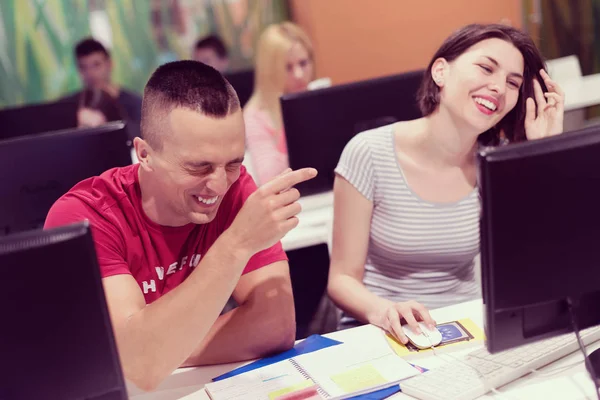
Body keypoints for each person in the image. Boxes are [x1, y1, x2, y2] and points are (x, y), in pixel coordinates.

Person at [45, 60, 317, 391]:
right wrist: (236, 244)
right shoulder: (85, 216)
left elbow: (276, 326)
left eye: (233, 163)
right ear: (144, 154)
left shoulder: (235, 189)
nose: (218, 185)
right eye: (198, 167)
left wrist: (160, 350)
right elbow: (141, 366)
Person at [327, 24, 565, 344]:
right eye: (485, 68)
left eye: (512, 83)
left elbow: (534, 266)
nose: (498, 87)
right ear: (441, 71)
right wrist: (385, 311)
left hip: (465, 330)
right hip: (379, 330)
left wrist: (540, 156)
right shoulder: (369, 151)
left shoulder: (495, 163)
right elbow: (341, 279)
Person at [244, 22, 315, 185]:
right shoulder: (254, 116)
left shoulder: (318, 98)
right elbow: (269, 178)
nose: (298, 74)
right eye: (287, 67)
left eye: (303, 63)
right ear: (270, 70)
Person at [63, 38, 142, 139]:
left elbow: (142, 136)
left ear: (109, 64)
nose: (90, 73)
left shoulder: (136, 103)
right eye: (83, 67)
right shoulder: (70, 105)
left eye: (96, 65)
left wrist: (105, 124)